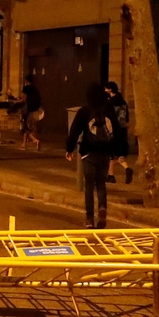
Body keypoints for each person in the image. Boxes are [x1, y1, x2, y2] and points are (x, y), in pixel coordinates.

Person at [66, 83, 123, 229]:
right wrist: (117, 152)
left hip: (89, 154)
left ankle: (89, 218)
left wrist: (69, 149)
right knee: (101, 185)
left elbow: (74, 131)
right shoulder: (109, 110)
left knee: (89, 186)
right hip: (105, 153)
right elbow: (116, 130)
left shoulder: (84, 111)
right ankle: (102, 208)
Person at [105, 81, 133, 185]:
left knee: (112, 153)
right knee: (120, 153)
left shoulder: (110, 103)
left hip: (114, 130)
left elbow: (109, 117)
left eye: (106, 89)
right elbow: (127, 116)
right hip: (123, 129)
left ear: (110, 90)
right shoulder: (123, 102)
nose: (105, 90)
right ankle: (120, 171)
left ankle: (112, 175)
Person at [14, 74, 43, 150]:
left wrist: (16, 101)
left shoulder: (26, 88)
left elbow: (24, 99)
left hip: (27, 109)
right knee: (26, 126)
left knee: (24, 127)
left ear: (26, 80)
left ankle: (35, 140)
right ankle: (24, 144)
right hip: (34, 110)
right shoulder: (35, 89)